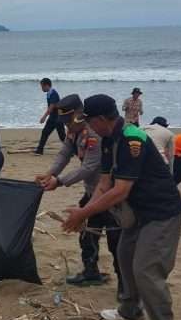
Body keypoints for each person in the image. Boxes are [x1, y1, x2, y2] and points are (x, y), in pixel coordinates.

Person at [61, 94, 181, 320]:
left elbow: (120, 190)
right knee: (124, 255)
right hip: (138, 213)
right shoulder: (108, 140)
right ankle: (129, 310)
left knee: (146, 269)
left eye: (90, 121)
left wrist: (83, 214)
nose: (88, 126)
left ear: (102, 119)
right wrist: (86, 211)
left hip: (161, 212)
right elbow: (104, 183)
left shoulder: (131, 139)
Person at [36, 94, 121, 290]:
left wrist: (59, 181)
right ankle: (91, 272)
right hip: (91, 192)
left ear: (78, 115)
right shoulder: (73, 132)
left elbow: (89, 167)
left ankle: (125, 287)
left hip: (108, 196)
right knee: (86, 235)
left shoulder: (94, 134)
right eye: (64, 123)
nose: (66, 126)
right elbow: (64, 153)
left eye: (68, 121)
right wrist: (49, 174)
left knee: (115, 242)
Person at [35, 78, 65, 154]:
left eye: (42, 86)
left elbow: (51, 107)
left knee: (62, 136)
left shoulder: (53, 93)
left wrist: (44, 117)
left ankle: (71, 151)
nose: (41, 88)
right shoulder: (49, 93)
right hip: (53, 117)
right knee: (45, 132)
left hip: (58, 118)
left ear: (46, 85)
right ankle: (39, 150)